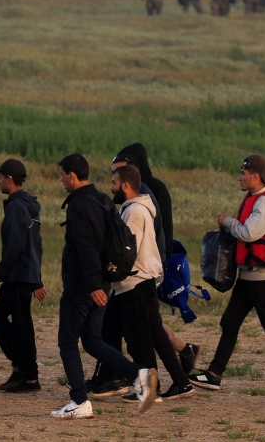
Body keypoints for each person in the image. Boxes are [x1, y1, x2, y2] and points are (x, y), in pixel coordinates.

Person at [190, 155, 265, 394]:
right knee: (230, 322)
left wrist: (228, 222)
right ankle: (214, 375)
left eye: (242, 173)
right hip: (248, 276)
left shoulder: (264, 203)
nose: (239, 178)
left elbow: (249, 233)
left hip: (260, 277)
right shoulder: (254, 199)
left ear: (254, 175)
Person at [52, 153, 158, 419]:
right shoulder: (101, 200)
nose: (61, 180)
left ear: (72, 176)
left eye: (62, 174)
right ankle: (139, 375)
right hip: (103, 282)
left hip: (84, 286)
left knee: (67, 340)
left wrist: (91, 285)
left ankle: (79, 401)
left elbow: (87, 248)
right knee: (92, 341)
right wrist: (100, 283)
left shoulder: (79, 205)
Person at [103, 165, 195, 402]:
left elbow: (126, 249)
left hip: (135, 282)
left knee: (139, 339)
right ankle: (181, 383)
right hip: (140, 281)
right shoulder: (138, 209)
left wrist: (110, 268)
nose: (111, 187)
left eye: (114, 183)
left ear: (125, 185)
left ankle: (148, 389)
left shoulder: (134, 212)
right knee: (155, 335)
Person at [115, 144, 200, 373]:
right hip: (149, 264)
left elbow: (160, 230)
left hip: (146, 265)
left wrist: (159, 263)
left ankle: (142, 376)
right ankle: (182, 357)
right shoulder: (138, 192)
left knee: (142, 324)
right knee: (150, 322)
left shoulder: (146, 193)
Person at [0, 158, 46, 393]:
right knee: (22, 324)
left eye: (0, 177)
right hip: (25, 274)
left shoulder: (15, 206)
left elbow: (16, 244)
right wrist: (37, 278)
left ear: (9, 179)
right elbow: (37, 244)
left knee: (1, 320)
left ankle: (26, 372)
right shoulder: (27, 205)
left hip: (17, 275)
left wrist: (3, 270)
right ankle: (25, 373)